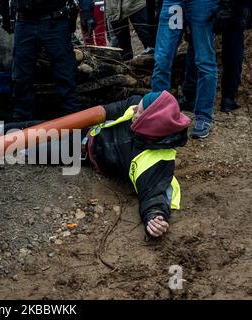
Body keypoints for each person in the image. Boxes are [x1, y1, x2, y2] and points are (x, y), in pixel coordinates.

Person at [85, 91, 190, 238]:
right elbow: (108, 110)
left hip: (87, 154)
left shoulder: (154, 159)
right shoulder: (135, 104)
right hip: (89, 130)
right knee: (43, 127)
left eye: (139, 111)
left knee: (42, 149)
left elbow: (154, 193)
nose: (134, 109)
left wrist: (155, 216)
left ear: (149, 121)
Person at [0, 0, 82, 120]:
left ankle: (75, 120)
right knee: (21, 77)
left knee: (65, 74)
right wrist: (5, 15)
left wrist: (87, 11)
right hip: (25, 22)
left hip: (55, 19)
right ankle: (22, 123)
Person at [152, 0, 218, 139]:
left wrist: (226, 6)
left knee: (204, 60)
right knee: (162, 59)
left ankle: (203, 116)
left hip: (203, 3)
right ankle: (158, 114)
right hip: (173, 2)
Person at [214, 0, 251, 113]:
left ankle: (193, 95)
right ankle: (228, 98)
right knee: (233, 50)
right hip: (234, 7)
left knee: (200, 44)